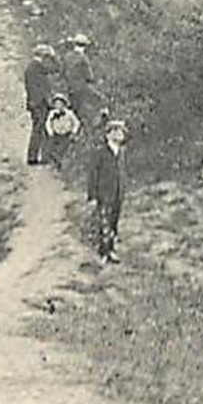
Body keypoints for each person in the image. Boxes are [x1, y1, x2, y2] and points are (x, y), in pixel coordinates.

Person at [87, 118, 127, 263]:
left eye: (121, 132)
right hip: (104, 193)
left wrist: (123, 190)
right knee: (104, 223)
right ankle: (103, 252)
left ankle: (111, 250)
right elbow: (93, 174)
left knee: (113, 223)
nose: (120, 135)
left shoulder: (121, 152)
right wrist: (92, 196)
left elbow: (122, 173)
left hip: (118, 193)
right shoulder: (101, 152)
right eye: (116, 131)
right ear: (108, 135)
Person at [23, 43, 58, 166]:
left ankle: (35, 156)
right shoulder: (36, 67)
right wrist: (54, 56)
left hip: (35, 102)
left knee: (38, 129)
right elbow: (55, 69)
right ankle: (35, 157)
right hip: (39, 103)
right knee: (39, 129)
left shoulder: (32, 67)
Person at [61, 33, 103, 129]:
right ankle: (93, 123)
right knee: (98, 99)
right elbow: (89, 76)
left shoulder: (67, 56)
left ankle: (71, 127)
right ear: (84, 46)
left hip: (70, 87)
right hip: (81, 86)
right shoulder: (83, 58)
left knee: (73, 107)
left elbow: (62, 72)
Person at [43, 93, 81, 168]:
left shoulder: (69, 113)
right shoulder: (52, 113)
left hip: (66, 134)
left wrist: (74, 132)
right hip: (56, 134)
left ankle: (64, 163)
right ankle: (54, 162)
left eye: (60, 104)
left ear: (64, 104)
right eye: (56, 104)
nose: (58, 106)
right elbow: (48, 123)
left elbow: (77, 122)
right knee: (53, 149)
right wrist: (50, 132)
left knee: (65, 149)